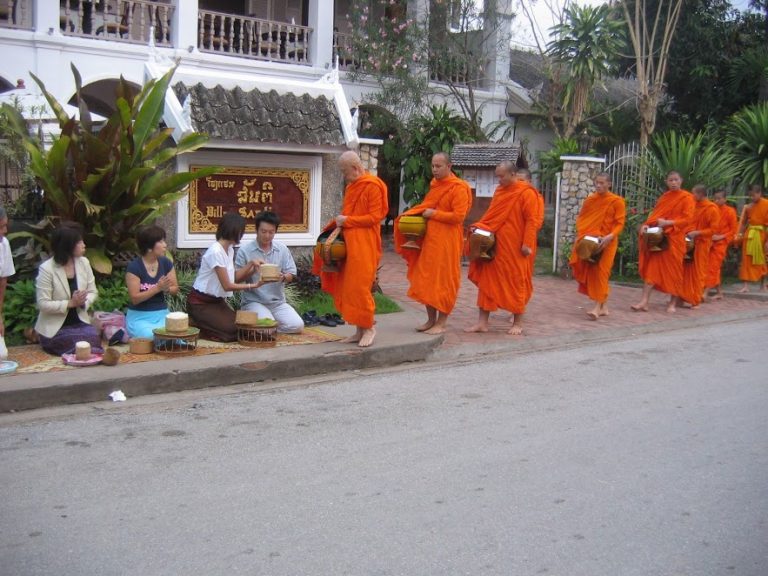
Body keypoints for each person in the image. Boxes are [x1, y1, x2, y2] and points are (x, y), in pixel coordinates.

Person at [313, 151, 388, 347]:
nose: (344, 176)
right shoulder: (352, 186)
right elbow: (348, 213)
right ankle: (358, 329)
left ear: (355, 168)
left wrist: (348, 220)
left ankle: (369, 327)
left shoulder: (372, 186)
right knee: (348, 287)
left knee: (360, 287)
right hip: (348, 244)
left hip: (365, 245)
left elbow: (375, 217)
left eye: (345, 172)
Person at [394, 152, 472, 335]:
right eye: (433, 166)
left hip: (448, 242)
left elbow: (458, 216)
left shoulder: (458, 188)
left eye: (439, 166)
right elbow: (425, 208)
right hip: (430, 241)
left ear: (449, 166)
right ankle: (430, 320)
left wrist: (433, 214)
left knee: (444, 280)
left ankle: (442, 322)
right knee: (427, 279)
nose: (434, 170)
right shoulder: (435, 186)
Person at [464, 161, 543, 335]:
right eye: (497, 176)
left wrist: (527, 244)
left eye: (502, 176)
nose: (498, 180)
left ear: (513, 174)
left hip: (515, 247)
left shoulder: (526, 193)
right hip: (495, 244)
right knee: (487, 280)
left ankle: (517, 323)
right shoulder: (500, 190)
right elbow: (492, 215)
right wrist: (481, 228)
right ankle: (482, 323)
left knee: (516, 281)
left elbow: (531, 221)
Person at [187, 212, 263, 342]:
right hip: (200, 303)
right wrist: (253, 285)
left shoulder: (229, 249)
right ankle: (197, 324)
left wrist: (251, 266)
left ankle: (207, 325)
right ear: (235, 231)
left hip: (217, 302)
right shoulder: (215, 251)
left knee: (242, 327)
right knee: (230, 331)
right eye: (241, 231)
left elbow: (233, 278)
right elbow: (227, 286)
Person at [631, 171, 695, 313]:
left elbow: (688, 220)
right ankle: (644, 302)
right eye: (670, 180)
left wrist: (668, 222)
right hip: (660, 240)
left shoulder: (687, 198)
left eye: (676, 179)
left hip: (675, 240)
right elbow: (655, 216)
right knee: (651, 271)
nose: (673, 182)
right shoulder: (664, 198)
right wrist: (646, 225)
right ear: (666, 182)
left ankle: (672, 303)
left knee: (674, 272)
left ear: (681, 181)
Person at [34, 224, 102, 356]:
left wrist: (82, 301)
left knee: (92, 339)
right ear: (67, 245)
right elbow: (42, 304)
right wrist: (70, 303)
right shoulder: (47, 269)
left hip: (79, 322)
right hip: (56, 328)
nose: (83, 244)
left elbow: (93, 292)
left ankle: (88, 356)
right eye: (79, 242)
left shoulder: (84, 263)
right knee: (75, 343)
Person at [568, 172, 626, 320]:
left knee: (602, 272)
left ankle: (596, 308)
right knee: (595, 272)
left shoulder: (617, 201)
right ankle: (603, 307)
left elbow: (619, 223)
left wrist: (610, 236)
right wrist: (583, 236)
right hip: (592, 241)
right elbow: (582, 220)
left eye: (602, 183)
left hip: (608, 242)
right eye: (597, 183)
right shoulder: (590, 200)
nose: (599, 185)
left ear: (609, 184)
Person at [236, 211, 303, 334]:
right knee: (266, 328)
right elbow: (236, 279)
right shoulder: (245, 251)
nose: (267, 235)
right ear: (256, 230)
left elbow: (291, 274)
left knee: (297, 326)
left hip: (277, 302)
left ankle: (268, 328)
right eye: (263, 231)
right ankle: (265, 328)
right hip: (253, 301)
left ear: (275, 231)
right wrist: (251, 268)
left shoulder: (281, 249)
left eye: (271, 232)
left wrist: (282, 277)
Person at [124, 225, 179, 338]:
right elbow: (135, 298)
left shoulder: (166, 263)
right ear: (149, 247)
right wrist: (157, 288)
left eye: (164, 241)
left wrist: (167, 288)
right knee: (151, 335)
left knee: (176, 333)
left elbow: (175, 289)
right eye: (160, 241)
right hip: (140, 317)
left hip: (162, 314)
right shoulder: (134, 267)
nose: (165, 245)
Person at [677, 184, 719, 308]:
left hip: (701, 244)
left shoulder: (712, 208)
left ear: (701, 194)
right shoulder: (692, 205)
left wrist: (697, 233)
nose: (692, 195)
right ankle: (682, 297)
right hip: (688, 242)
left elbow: (713, 230)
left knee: (697, 272)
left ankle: (695, 299)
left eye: (694, 193)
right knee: (684, 271)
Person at [704, 190, 738, 300]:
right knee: (713, 268)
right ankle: (719, 293)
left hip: (721, 243)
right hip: (709, 242)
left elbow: (733, 231)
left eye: (719, 198)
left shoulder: (730, 211)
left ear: (725, 199)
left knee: (712, 267)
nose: (716, 200)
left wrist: (721, 237)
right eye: (715, 198)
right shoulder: (711, 210)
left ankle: (705, 292)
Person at [735, 184, 768, 293]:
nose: (752, 198)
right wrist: (739, 234)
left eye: (753, 195)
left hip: (762, 235)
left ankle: (762, 285)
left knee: (761, 260)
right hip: (749, 236)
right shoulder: (748, 207)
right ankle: (745, 285)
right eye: (750, 196)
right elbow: (743, 223)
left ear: (760, 193)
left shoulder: (766, 204)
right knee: (746, 260)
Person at [0, 206, 15, 341]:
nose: (5, 231)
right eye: (1, 227)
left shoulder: (4, 244)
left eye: (5, 226)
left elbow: (2, 280)